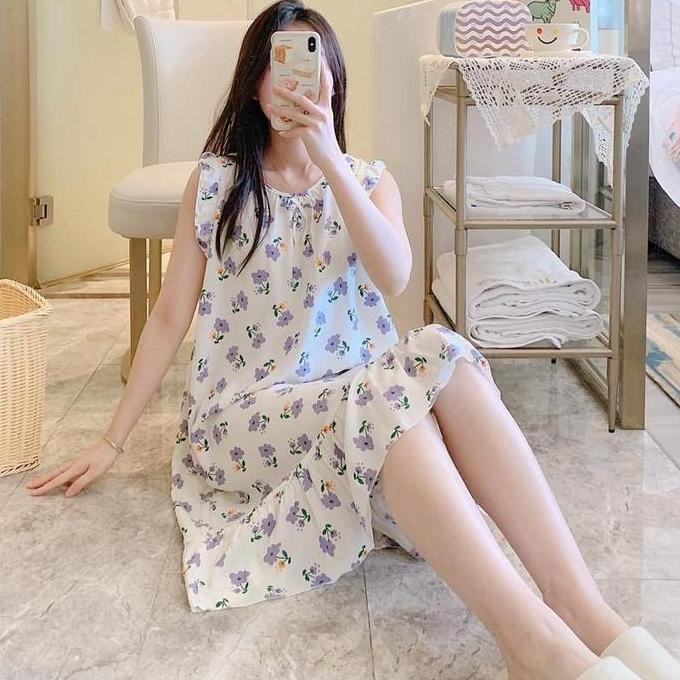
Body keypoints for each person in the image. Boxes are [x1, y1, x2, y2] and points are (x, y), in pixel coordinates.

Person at [25, 3, 679, 679]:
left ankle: (585, 612)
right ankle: (534, 645)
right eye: (279, 64)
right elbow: (168, 317)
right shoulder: (216, 183)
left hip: (355, 400)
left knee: (445, 355)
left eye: (311, 64)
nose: (295, 81)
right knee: (389, 403)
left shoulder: (367, 181)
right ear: (253, 81)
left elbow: (395, 275)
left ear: (333, 81)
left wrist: (330, 162)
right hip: (242, 417)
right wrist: (111, 441)